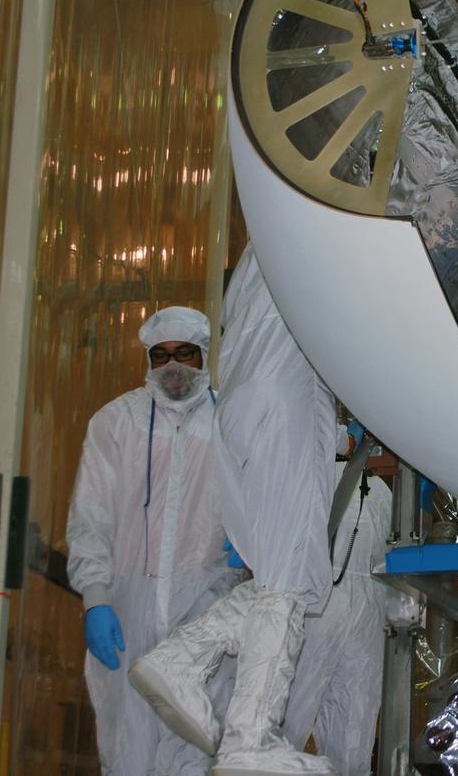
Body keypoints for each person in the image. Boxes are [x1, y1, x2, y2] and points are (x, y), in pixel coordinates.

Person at [130, 244, 345, 775]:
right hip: (282, 399)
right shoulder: (316, 224)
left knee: (278, 577)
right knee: (288, 582)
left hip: (248, 401)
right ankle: (250, 738)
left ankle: (180, 659)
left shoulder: (262, 247)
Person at [66, 305, 239, 774]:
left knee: (197, 747)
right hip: (127, 612)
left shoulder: (232, 424)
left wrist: (252, 543)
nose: (174, 366)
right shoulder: (116, 422)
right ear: (148, 360)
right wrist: (96, 598)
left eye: (185, 353)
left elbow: (264, 502)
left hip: (207, 615)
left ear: (204, 355)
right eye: (161, 355)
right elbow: (91, 515)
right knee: (127, 748)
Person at [283, 472, 393, 775]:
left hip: (366, 609)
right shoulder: (319, 470)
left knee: (355, 721)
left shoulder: (383, 490)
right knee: (292, 710)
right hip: (318, 601)